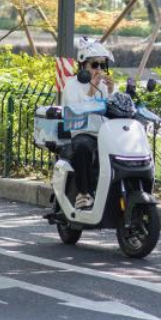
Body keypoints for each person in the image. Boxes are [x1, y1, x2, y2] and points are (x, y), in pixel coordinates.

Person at [61, 39, 116, 210]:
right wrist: (92, 91)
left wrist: (113, 92)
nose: (99, 69)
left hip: (105, 134)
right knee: (83, 148)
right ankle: (83, 194)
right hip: (83, 133)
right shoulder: (72, 85)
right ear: (83, 65)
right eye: (94, 65)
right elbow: (76, 109)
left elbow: (115, 108)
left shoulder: (106, 86)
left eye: (102, 65)